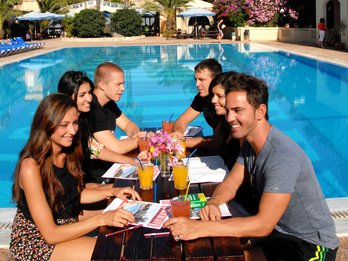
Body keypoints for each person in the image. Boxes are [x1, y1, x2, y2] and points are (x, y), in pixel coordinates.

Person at [164, 73, 339, 261]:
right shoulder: (249, 144)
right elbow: (231, 183)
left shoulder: (281, 156)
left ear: (260, 112)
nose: (230, 118)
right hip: (278, 235)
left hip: (310, 245)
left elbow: (263, 224)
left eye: (238, 110)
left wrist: (198, 227)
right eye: (228, 110)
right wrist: (214, 203)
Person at [10, 93, 141, 260]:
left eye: (74, 123)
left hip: (64, 221)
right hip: (37, 240)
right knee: (111, 252)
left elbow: (74, 193)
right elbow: (50, 234)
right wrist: (102, 218)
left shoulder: (68, 152)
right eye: (64, 125)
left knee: (128, 221)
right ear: (46, 125)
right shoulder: (31, 167)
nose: (71, 131)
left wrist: (114, 191)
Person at [57, 71, 149, 175]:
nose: (89, 99)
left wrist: (133, 161)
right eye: (82, 95)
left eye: (89, 93)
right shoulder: (58, 124)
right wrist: (145, 140)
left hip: (78, 179)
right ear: (67, 97)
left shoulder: (82, 120)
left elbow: (97, 150)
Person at [88, 62, 142, 183]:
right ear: (102, 85)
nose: (122, 88)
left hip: (112, 168)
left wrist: (136, 135)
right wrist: (143, 140)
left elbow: (129, 125)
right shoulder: (93, 109)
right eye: (118, 84)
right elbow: (116, 147)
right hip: (97, 178)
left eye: (123, 84)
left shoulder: (109, 104)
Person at [173, 58, 223, 149]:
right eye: (196, 79)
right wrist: (178, 134)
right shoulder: (202, 98)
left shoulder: (225, 101)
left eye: (201, 80)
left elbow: (218, 141)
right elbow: (182, 120)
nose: (197, 84)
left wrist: (183, 142)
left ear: (215, 80)